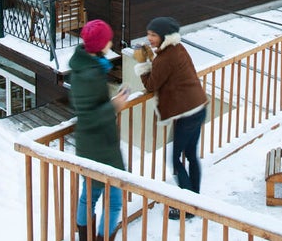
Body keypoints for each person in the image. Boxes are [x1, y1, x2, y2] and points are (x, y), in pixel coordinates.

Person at [133, 16, 207, 219]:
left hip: (186, 115)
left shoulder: (166, 58)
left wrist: (142, 63)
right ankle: (195, 199)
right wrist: (151, 58)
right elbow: (162, 69)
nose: (149, 38)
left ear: (164, 36)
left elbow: (151, 85)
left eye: (153, 35)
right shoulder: (177, 49)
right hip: (198, 107)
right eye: (148, 34)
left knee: (174, 160)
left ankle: (188, 207)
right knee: (191, 155)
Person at [69, 19, 127, 240]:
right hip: (100, 146)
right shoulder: (90, 74)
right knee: (113, 200)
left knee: (90, 194)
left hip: (91, 145)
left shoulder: (86, 66)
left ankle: (85, 236)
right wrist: (114, 105)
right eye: (108, 39)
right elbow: (88, 115)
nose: (111, 42)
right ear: (100, 44)